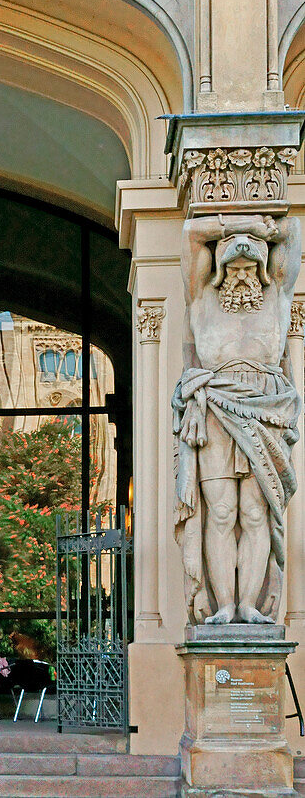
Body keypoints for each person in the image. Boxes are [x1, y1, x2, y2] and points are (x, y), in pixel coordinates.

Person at [173, 213, 300, 625]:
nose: (241, 274)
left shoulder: (277, 296)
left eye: (250, 267)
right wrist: (236, 226)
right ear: (220, 269)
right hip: (214, 410)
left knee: (255, 513)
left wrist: (266, 231)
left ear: (263, 269)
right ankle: (225, 604)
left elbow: (293, 234)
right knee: (223, 512)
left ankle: (249, 605)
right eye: (233, 267)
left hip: (265, 411)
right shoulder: (202, 298)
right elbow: (192, 234)